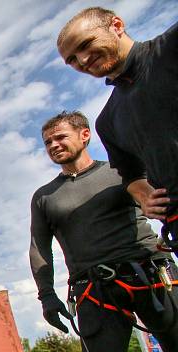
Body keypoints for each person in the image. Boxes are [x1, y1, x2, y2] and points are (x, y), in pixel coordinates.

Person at [30, 111, 177, 352]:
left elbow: (158, 195)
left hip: (150, 275)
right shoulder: (45, 196)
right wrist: (46, 295)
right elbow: (39, 248)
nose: (54, 146)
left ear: (84, 135)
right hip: (94, 290)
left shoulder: (122, 171)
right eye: (47, 143)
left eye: (60, 137)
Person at [56, 8, 178, 244]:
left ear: (117, 25)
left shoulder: (171, 49)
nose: (82, 60)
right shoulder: (108, 121)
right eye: (71, 59)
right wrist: (144, 196)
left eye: (85, 44)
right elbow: (130, 175)